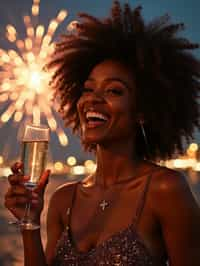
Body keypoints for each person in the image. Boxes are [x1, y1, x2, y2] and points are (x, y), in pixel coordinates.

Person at [4, 1, 200, 265]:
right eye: (87, 89)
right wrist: (29, 220)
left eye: (113, 91)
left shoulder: (165, 190)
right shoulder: (63, 199)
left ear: (142, 111)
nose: (92, 101)